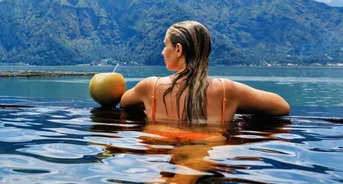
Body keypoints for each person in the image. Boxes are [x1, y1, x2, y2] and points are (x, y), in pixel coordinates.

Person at [120, 21, 290, 124]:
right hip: (208, 156)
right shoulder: (227, 90)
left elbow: (124, 102)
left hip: (162, 152)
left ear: (178, 49)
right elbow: (282, 107)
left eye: (165, 45)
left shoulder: (150, 87)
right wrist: (238, 106)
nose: (162, 52)